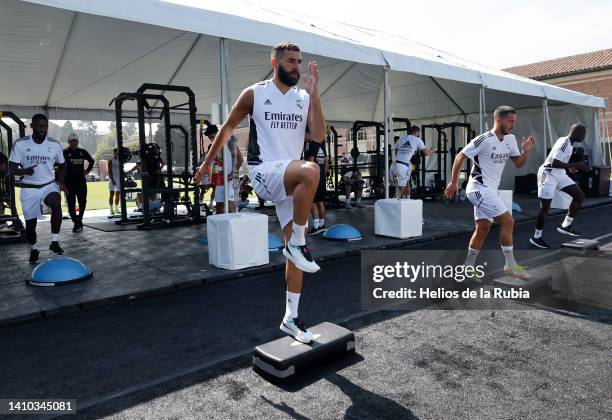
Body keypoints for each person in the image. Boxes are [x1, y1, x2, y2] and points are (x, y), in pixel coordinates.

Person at [195, 42, 326, 344]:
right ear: (274, 61)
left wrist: (315, 92)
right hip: (265, 173)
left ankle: (291, 317)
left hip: (290, 181)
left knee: (296, 251)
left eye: (300, 62)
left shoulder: (303, 97)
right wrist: (206, 163)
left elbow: (318, 135)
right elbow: (227, 128)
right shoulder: (255, 93)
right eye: (291, 61)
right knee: (311, 170)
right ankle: (298, 243)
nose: (297, 66)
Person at [444, 106, 536, 280]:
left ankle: (467, 268)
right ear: (499, 120)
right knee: (508, 221)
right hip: (478, 188)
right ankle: (510, 266)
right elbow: (460, 157)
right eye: (510, 121)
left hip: (491, 190)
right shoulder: (484, 140)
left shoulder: (511, 140)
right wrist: (454, 182)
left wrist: (526, 151)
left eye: (514, 122)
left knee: (483, 229)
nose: (513, 125)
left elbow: (518, 163)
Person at [9, 114, 67, 263]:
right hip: (29, 188)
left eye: (44, 126)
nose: (42, 129)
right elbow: (12, 167)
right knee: (30, 224)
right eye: (39, 125)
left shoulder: (54, 145)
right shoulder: (20, 144)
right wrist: (24, 171)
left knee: (56, 203)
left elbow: (62, 164)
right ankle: (34, 249)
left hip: (48, 185)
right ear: (32, 126)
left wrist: (60, 181)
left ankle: (54, 241)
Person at [530, 123, 590, 249]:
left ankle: (565, 226)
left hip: (559, 174)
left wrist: (571, 168)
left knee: (579, 195)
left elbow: (560, 163)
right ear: (575, 132)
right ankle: (536, 237)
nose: (584, 136)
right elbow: (554, 163)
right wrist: (577, 165)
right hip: (548, 174)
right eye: (582, 134)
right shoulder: (564, 142)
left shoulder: (569, 144)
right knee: (545, 208)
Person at [205, 124, 244, 214]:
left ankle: (233, 227)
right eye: (210, 138)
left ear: (218, 134)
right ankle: (220, 227)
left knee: (231, 207)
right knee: (219, 207)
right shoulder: (212, 147)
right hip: (220, 180)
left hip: (231, 180)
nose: (212, 140)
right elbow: (210, 164)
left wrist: (232, 174)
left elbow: (240, 160)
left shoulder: (230, 143)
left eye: (213, 137)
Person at [63, 132, 94, 232]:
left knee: (82, 202)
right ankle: (75, 222)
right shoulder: (64, 152)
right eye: (72, 141)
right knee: (71, 204)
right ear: (68, 142)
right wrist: (60, 181)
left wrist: (87, 171)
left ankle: (79, 219)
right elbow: (58, 166)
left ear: (78, 142)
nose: (74, 143)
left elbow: (92, 161)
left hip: (81, 182)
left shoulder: (82, 151)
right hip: (69, 183)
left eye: (76, 141)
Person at [390, 126, 432, 198]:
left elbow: (393, 149)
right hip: (402, 166)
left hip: (393, 165)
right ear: (416, 132)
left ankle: (407, 200)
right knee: (400, 189)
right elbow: (426, 153)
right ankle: (394, 203)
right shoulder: (418, 140)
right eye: (418, 133)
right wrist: (433, 151)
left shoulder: (401, 139)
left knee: (405, 183)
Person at [304, 132, 327, 233]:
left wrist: (309, 177)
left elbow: (311, 163)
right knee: (320, 201)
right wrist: (322, 175)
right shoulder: (321, 146)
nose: (304, 137)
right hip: (321, 177)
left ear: (309, 134)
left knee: (311, 201)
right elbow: (326, 162)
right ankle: (322, 225)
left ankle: (316, 227)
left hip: (314, 178)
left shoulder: (311, 146)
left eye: (305, 134)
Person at [107, 148, 121, 214]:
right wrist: (112, 179)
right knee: (111, 194)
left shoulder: (120, 161)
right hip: (112, 179)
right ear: (114, 153)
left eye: (118, 153)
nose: (116, 154)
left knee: (117, 194)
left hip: (118, 179)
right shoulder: (111, 161)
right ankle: (111, 209)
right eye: (115, 153)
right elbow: (109, 171)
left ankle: (116, 208)